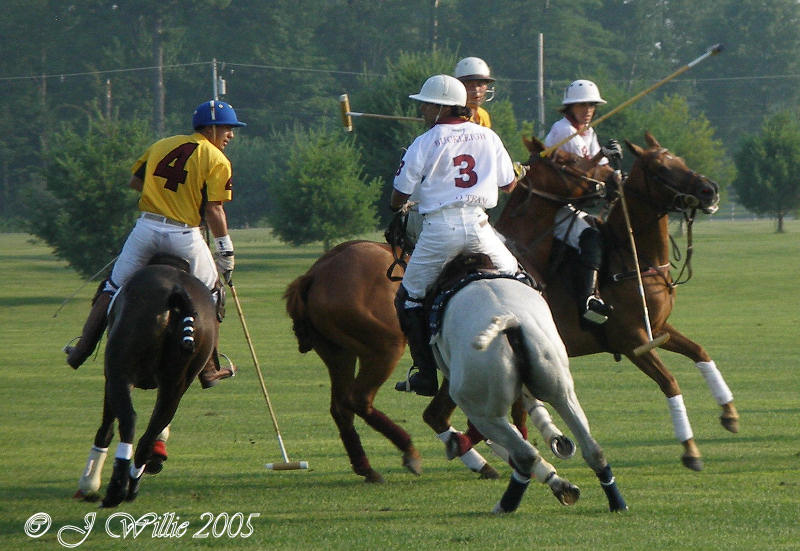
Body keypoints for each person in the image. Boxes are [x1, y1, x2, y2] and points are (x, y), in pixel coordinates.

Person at [64, 99, 245, 388]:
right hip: (184, 236)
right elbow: (214, 210)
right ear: (210, 128)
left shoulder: (162, 145)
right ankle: (209, 367)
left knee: (112, 287)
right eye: (227, 128)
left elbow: (136, 182)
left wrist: (164, 196)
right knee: (212, 291)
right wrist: (225, 249)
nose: (231, 135)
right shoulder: (217, 159)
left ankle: (82, 349)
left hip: (146, 229)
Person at [392, 74, 519, 396]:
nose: (421, 110)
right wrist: (514, 171)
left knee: (408, 297)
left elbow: (397, 197)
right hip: (481, 229)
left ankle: (424, 372)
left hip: (440, 232)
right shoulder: (488, 137)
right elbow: (509, 186)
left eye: (425, 105)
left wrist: (407, 200)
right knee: (521, 281)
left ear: (440, 107)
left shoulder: (424, 142)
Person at [544, 79, 622, 325]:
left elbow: (601, 168)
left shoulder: (588, 132)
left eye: (592, 105)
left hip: (571, 205)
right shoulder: (564, 131)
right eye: (582, 105)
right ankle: (587, 300)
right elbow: (582, 170)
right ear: (570, 107)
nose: (588, 110)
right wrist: (602, 155)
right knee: (590, 237)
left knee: (602, 231)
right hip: (551, 206)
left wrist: (617, 176)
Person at [454, 56, 495, 128]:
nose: (476, 90)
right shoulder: (454, 117)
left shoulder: (483, 115)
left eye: (480, 84)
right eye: (470, 85)